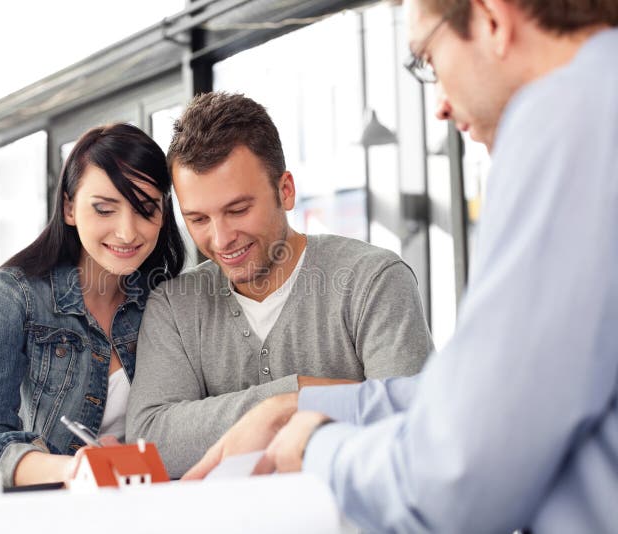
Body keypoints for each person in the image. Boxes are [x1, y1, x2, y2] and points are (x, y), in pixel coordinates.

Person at [185, 1, 618, 532]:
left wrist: (320, 445)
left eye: (428, 58)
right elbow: (480, 396)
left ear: (491, 19)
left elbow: (454, 480)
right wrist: (296, 406)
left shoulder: (567, 121)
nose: (437, 104)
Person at [126, 92, 434, 478]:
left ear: (285, 190)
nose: (221, 240)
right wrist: (299, 394)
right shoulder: (174, 306)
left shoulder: (373, 281)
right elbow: (151, 439)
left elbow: (410, 427)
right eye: (199, 219)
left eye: (238, 210)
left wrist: (280, 411)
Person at [0, 123, 185, 487]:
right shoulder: (12, 296)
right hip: (52, 510)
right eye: (105, 210)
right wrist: (77, 469)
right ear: (68, 207)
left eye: (145, 209)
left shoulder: (167, 301)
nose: (127, 232)